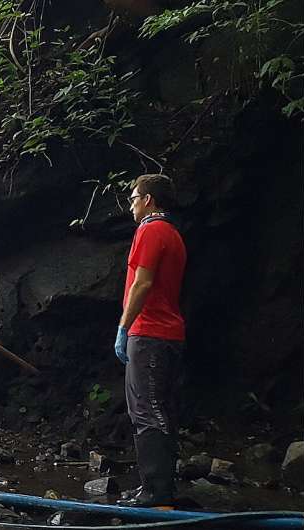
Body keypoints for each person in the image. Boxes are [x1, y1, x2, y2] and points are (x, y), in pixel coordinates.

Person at [115, 174, 186, 507]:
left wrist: (124, 326)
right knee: (160, 409)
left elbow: (141, 284)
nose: (131, 204)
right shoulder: (172, 232)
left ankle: (157, 492)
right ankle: (155, 488)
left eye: (133, 197)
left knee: (147, 410)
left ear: (149, 200)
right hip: (167, 333)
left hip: (150, 332)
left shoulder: (151, 229)